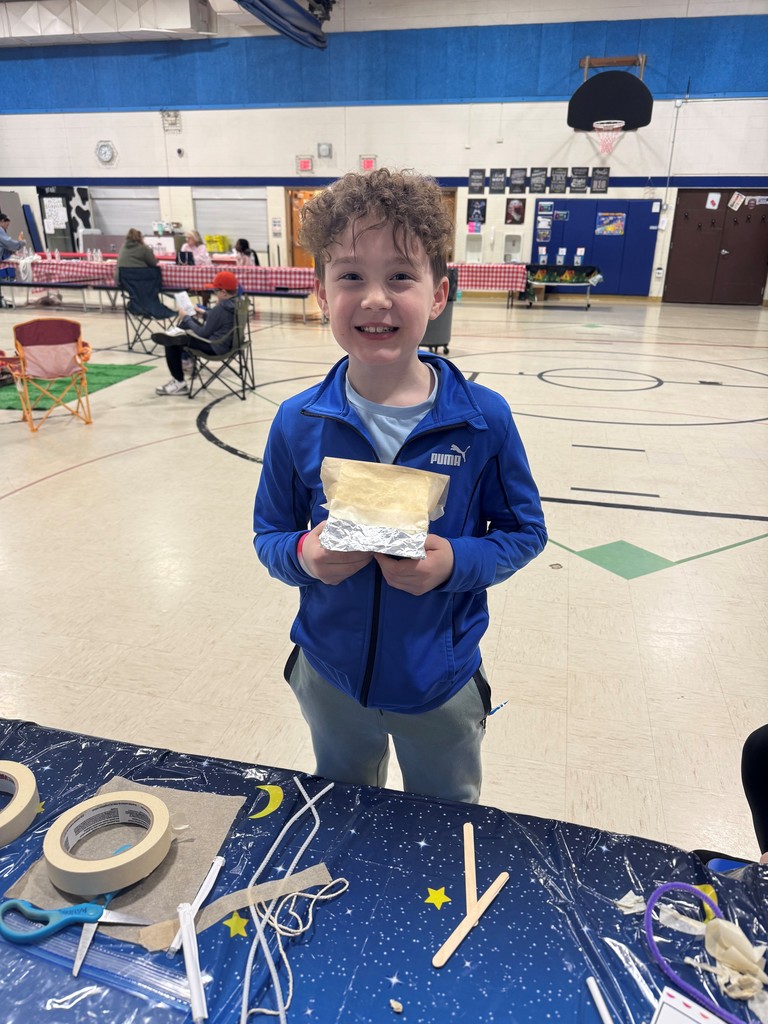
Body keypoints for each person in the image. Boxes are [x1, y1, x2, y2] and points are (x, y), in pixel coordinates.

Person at [252, 168, 547, 804]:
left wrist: (456, 563)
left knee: (445, 822)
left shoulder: (482, 418)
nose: (376, 299)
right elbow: (268, 536)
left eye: (401, 276)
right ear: (320, 292)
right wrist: (305, 555)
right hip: (329, 675)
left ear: (439, 295)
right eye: (351, 275)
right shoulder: (297, 421)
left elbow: (526, 532)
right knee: (344, 807)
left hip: (437, 683)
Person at [151, 269, 238, 396]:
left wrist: (186, 317)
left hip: (214, 346)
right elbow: (220, 322)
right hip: (227, 343)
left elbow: (203, 333)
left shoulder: (221, 308)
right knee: (182, 329)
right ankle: (185, 357)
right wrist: (205, 314)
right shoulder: (235, 304)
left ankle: (179, 382)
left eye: (215, 291)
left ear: (224, 292)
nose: (214, 294)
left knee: (171, 341)